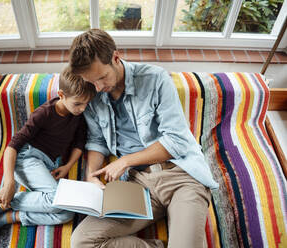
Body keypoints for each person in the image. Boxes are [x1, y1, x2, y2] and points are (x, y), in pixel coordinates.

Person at [68, 29, 219, 248]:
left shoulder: (155, 79)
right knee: (81, 242)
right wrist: (91, 176)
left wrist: (125, 161)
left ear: (115, 58)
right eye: (91, 82)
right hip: (138, 184)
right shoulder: (93, 94)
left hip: (181, 176)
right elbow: (97, 141)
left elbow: (176, 140)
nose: (98, 88)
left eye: (102, 78)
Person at [0, 66, 96, 243]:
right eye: (78, 103)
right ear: (62, 95)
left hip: (51, 165)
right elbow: (12, 147)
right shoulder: (44, 113)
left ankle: (10, 217)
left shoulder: (78, 114)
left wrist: (68, 166)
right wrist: (9, 182)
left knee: (67, 213)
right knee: (57, 199)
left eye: (87, 103)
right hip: (28, 159)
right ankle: (1, 200)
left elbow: (79, 142)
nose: (83, 109)